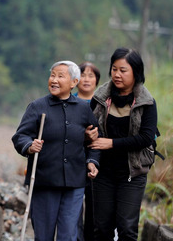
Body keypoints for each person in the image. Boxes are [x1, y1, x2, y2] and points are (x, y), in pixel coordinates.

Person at [12, 60, 100, 241]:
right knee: (43, 235)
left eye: (61, 76)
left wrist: (92, 161)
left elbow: (95, 139)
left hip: (74, 182)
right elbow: (20, 136)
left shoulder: (84, 109)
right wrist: (29, 146)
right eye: (52, 75)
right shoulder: (37, 107)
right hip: (44, 181)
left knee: (68, 235)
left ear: (73, 83)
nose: (54, 79)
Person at [89, 48, 158, 241]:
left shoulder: (147, 102)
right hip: (103, 172)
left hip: (132, 173)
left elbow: (146, 138)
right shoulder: (100, 98)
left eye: (123, 70)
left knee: (127, 229)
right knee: (101, 229)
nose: (117, 74)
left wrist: (111, 143)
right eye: (114, 69)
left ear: (135, 72)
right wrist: (88, 134)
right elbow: (87, 126)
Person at [74, 62, 101, 241]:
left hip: (98, 162)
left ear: (97, 81)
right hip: (74, 160)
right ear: (75, 79)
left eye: (91, 76)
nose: (86, 79)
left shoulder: (103, 104)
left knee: (95, 209)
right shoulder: (69, 101)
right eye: (83, 75)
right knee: (73, 210)